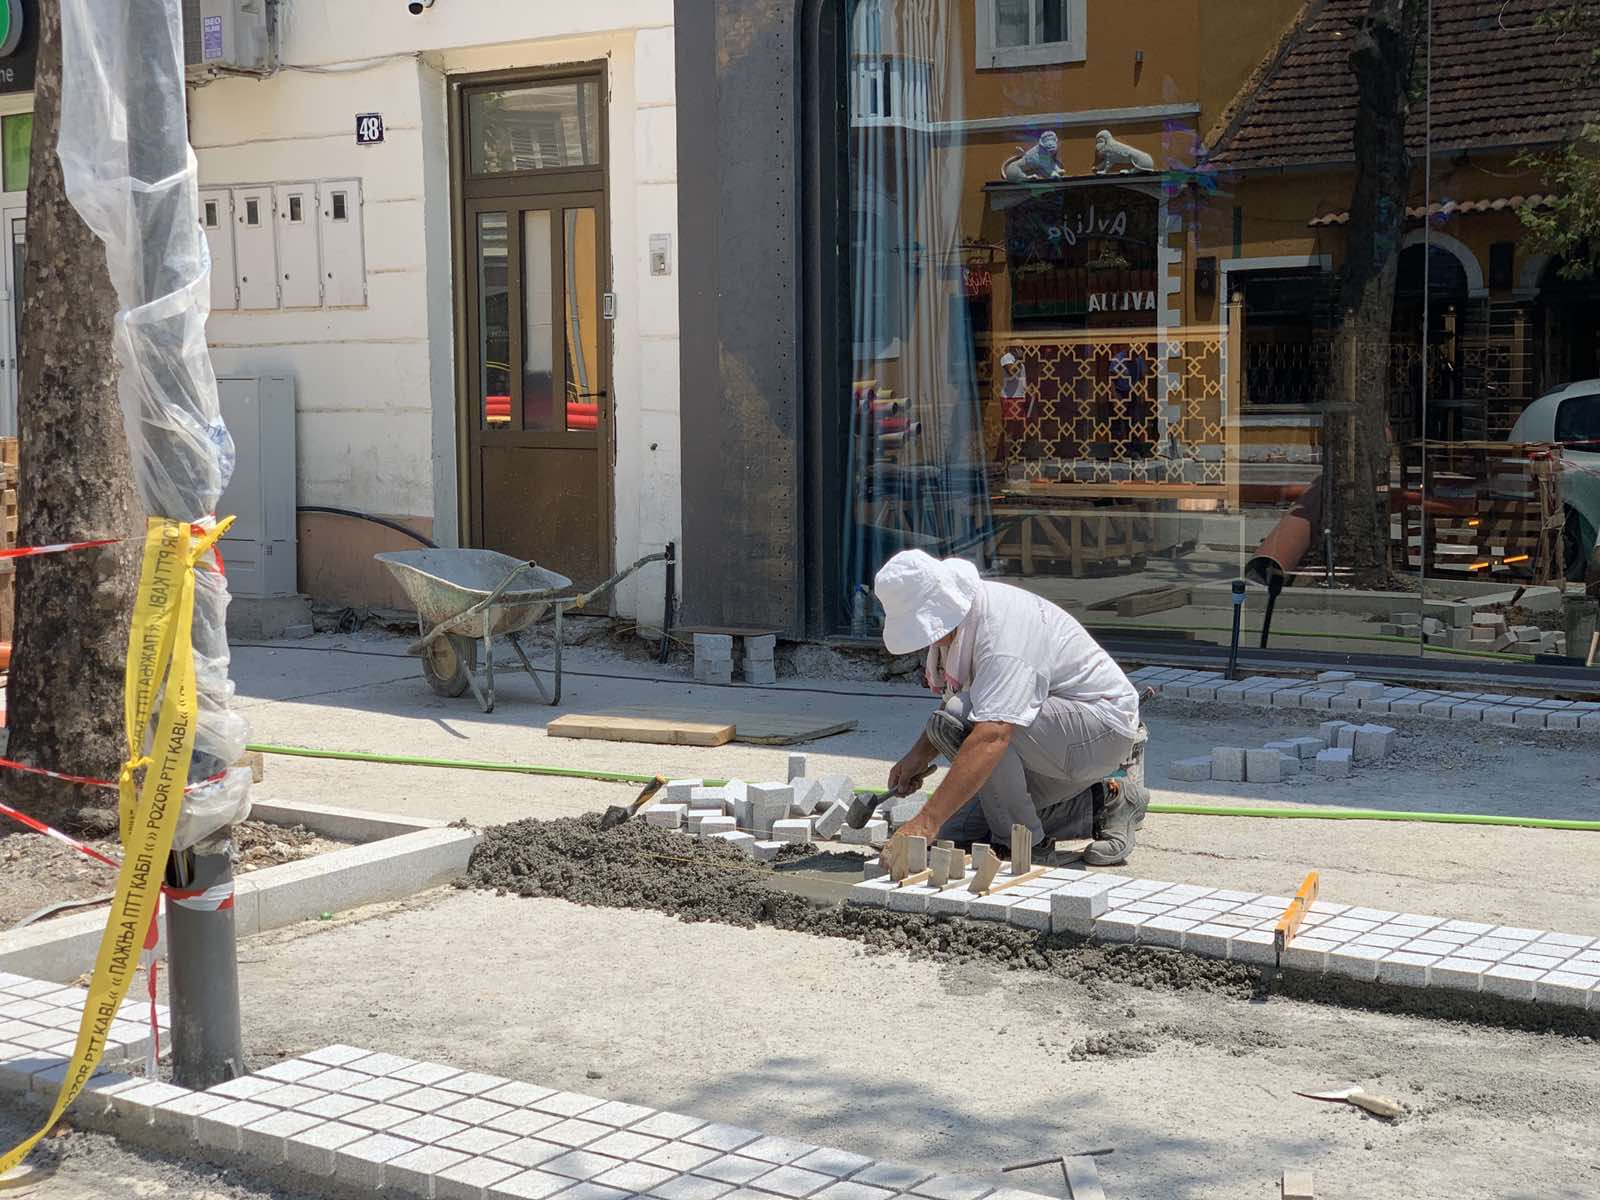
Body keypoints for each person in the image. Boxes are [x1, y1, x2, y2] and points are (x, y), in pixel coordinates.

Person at [874, 548, 1148, 866]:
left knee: (962, 723)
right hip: (1050, 738)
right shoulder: (967, 621)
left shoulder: (1002, 633)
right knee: (960, 830)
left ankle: (1027, 845)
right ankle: (1107, 803)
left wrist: (923, 824)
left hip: (1100, 731)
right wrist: (915, 759)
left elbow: (992, 736)